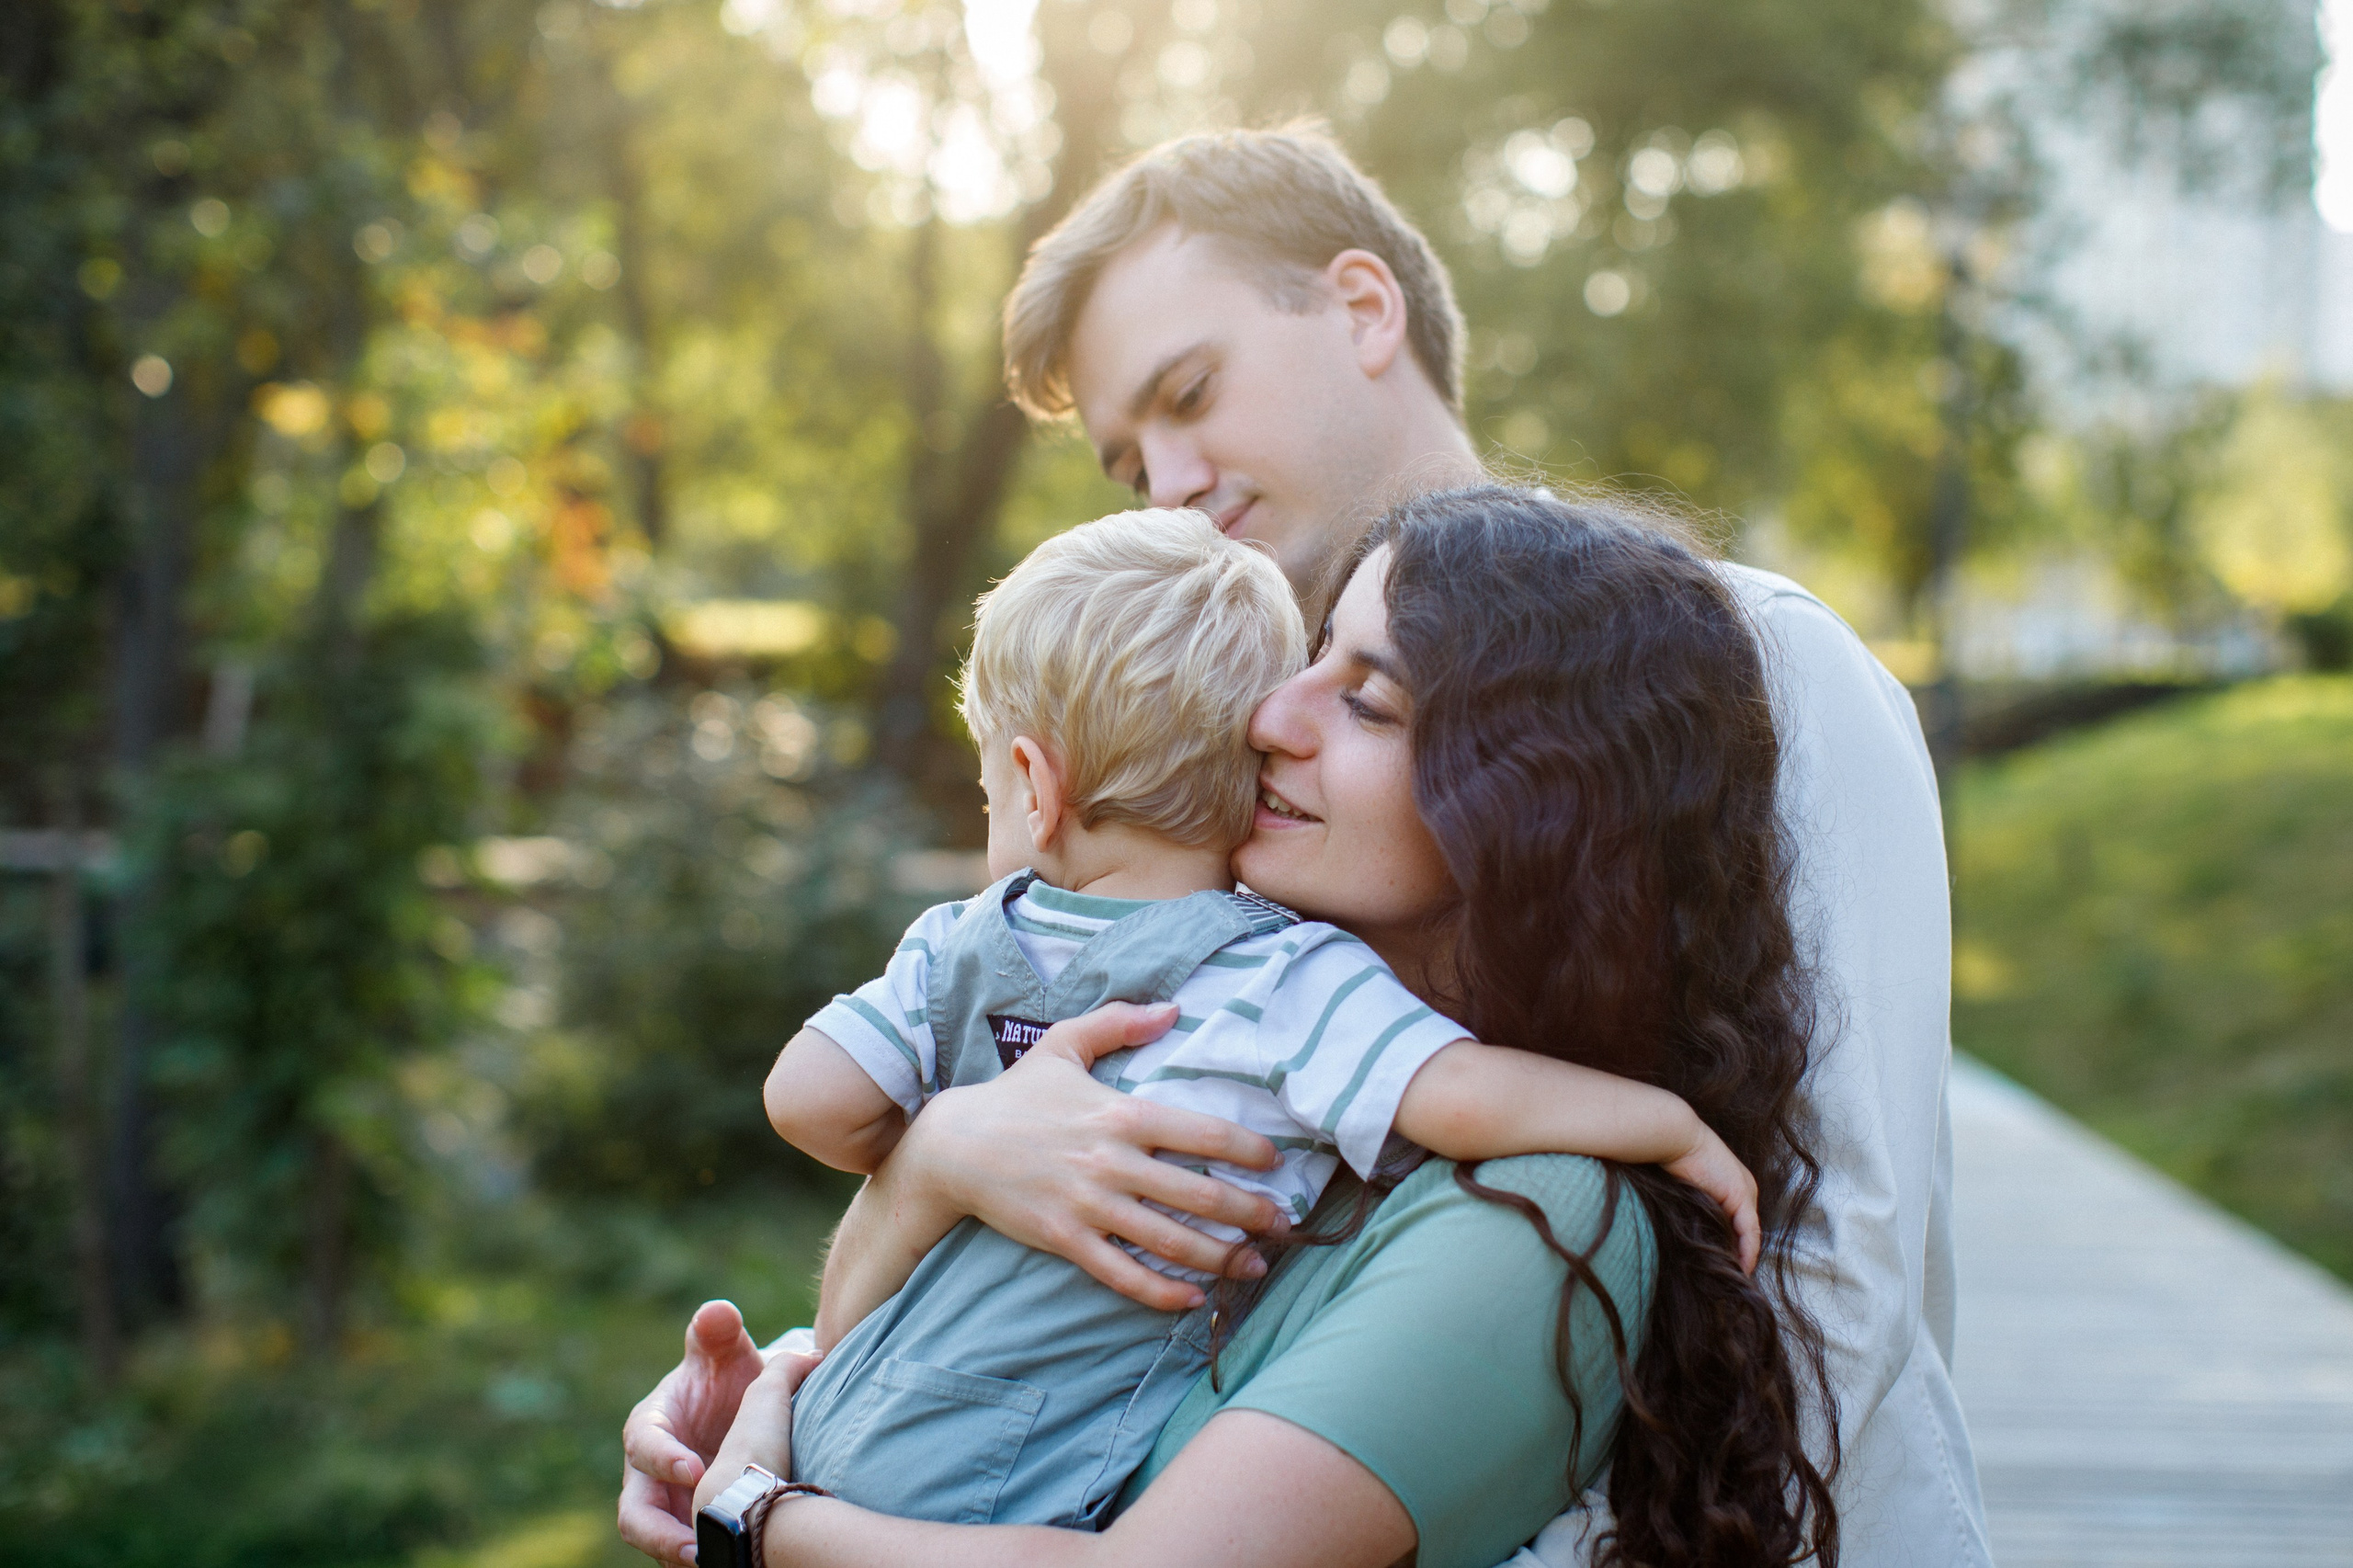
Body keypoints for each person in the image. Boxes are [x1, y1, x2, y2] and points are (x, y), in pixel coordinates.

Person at [621, 125, 1991, 1566]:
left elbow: (1838, 1281)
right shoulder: (1246, 768)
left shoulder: (1757, 665)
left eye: (1191, 392)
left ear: (1362, 307)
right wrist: (816, 1379)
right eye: (1126, 454)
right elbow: (1093, 1268)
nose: (1166, 480)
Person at [642, 485, 1840, 1567]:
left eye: (1366, 699)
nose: (1270, 716)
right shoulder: (1255, 1025)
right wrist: (925, 1184)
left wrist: (757, 1514)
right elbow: (921, 1293)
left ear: (1529, 806)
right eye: (1310, 658)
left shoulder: (1539, 1206)